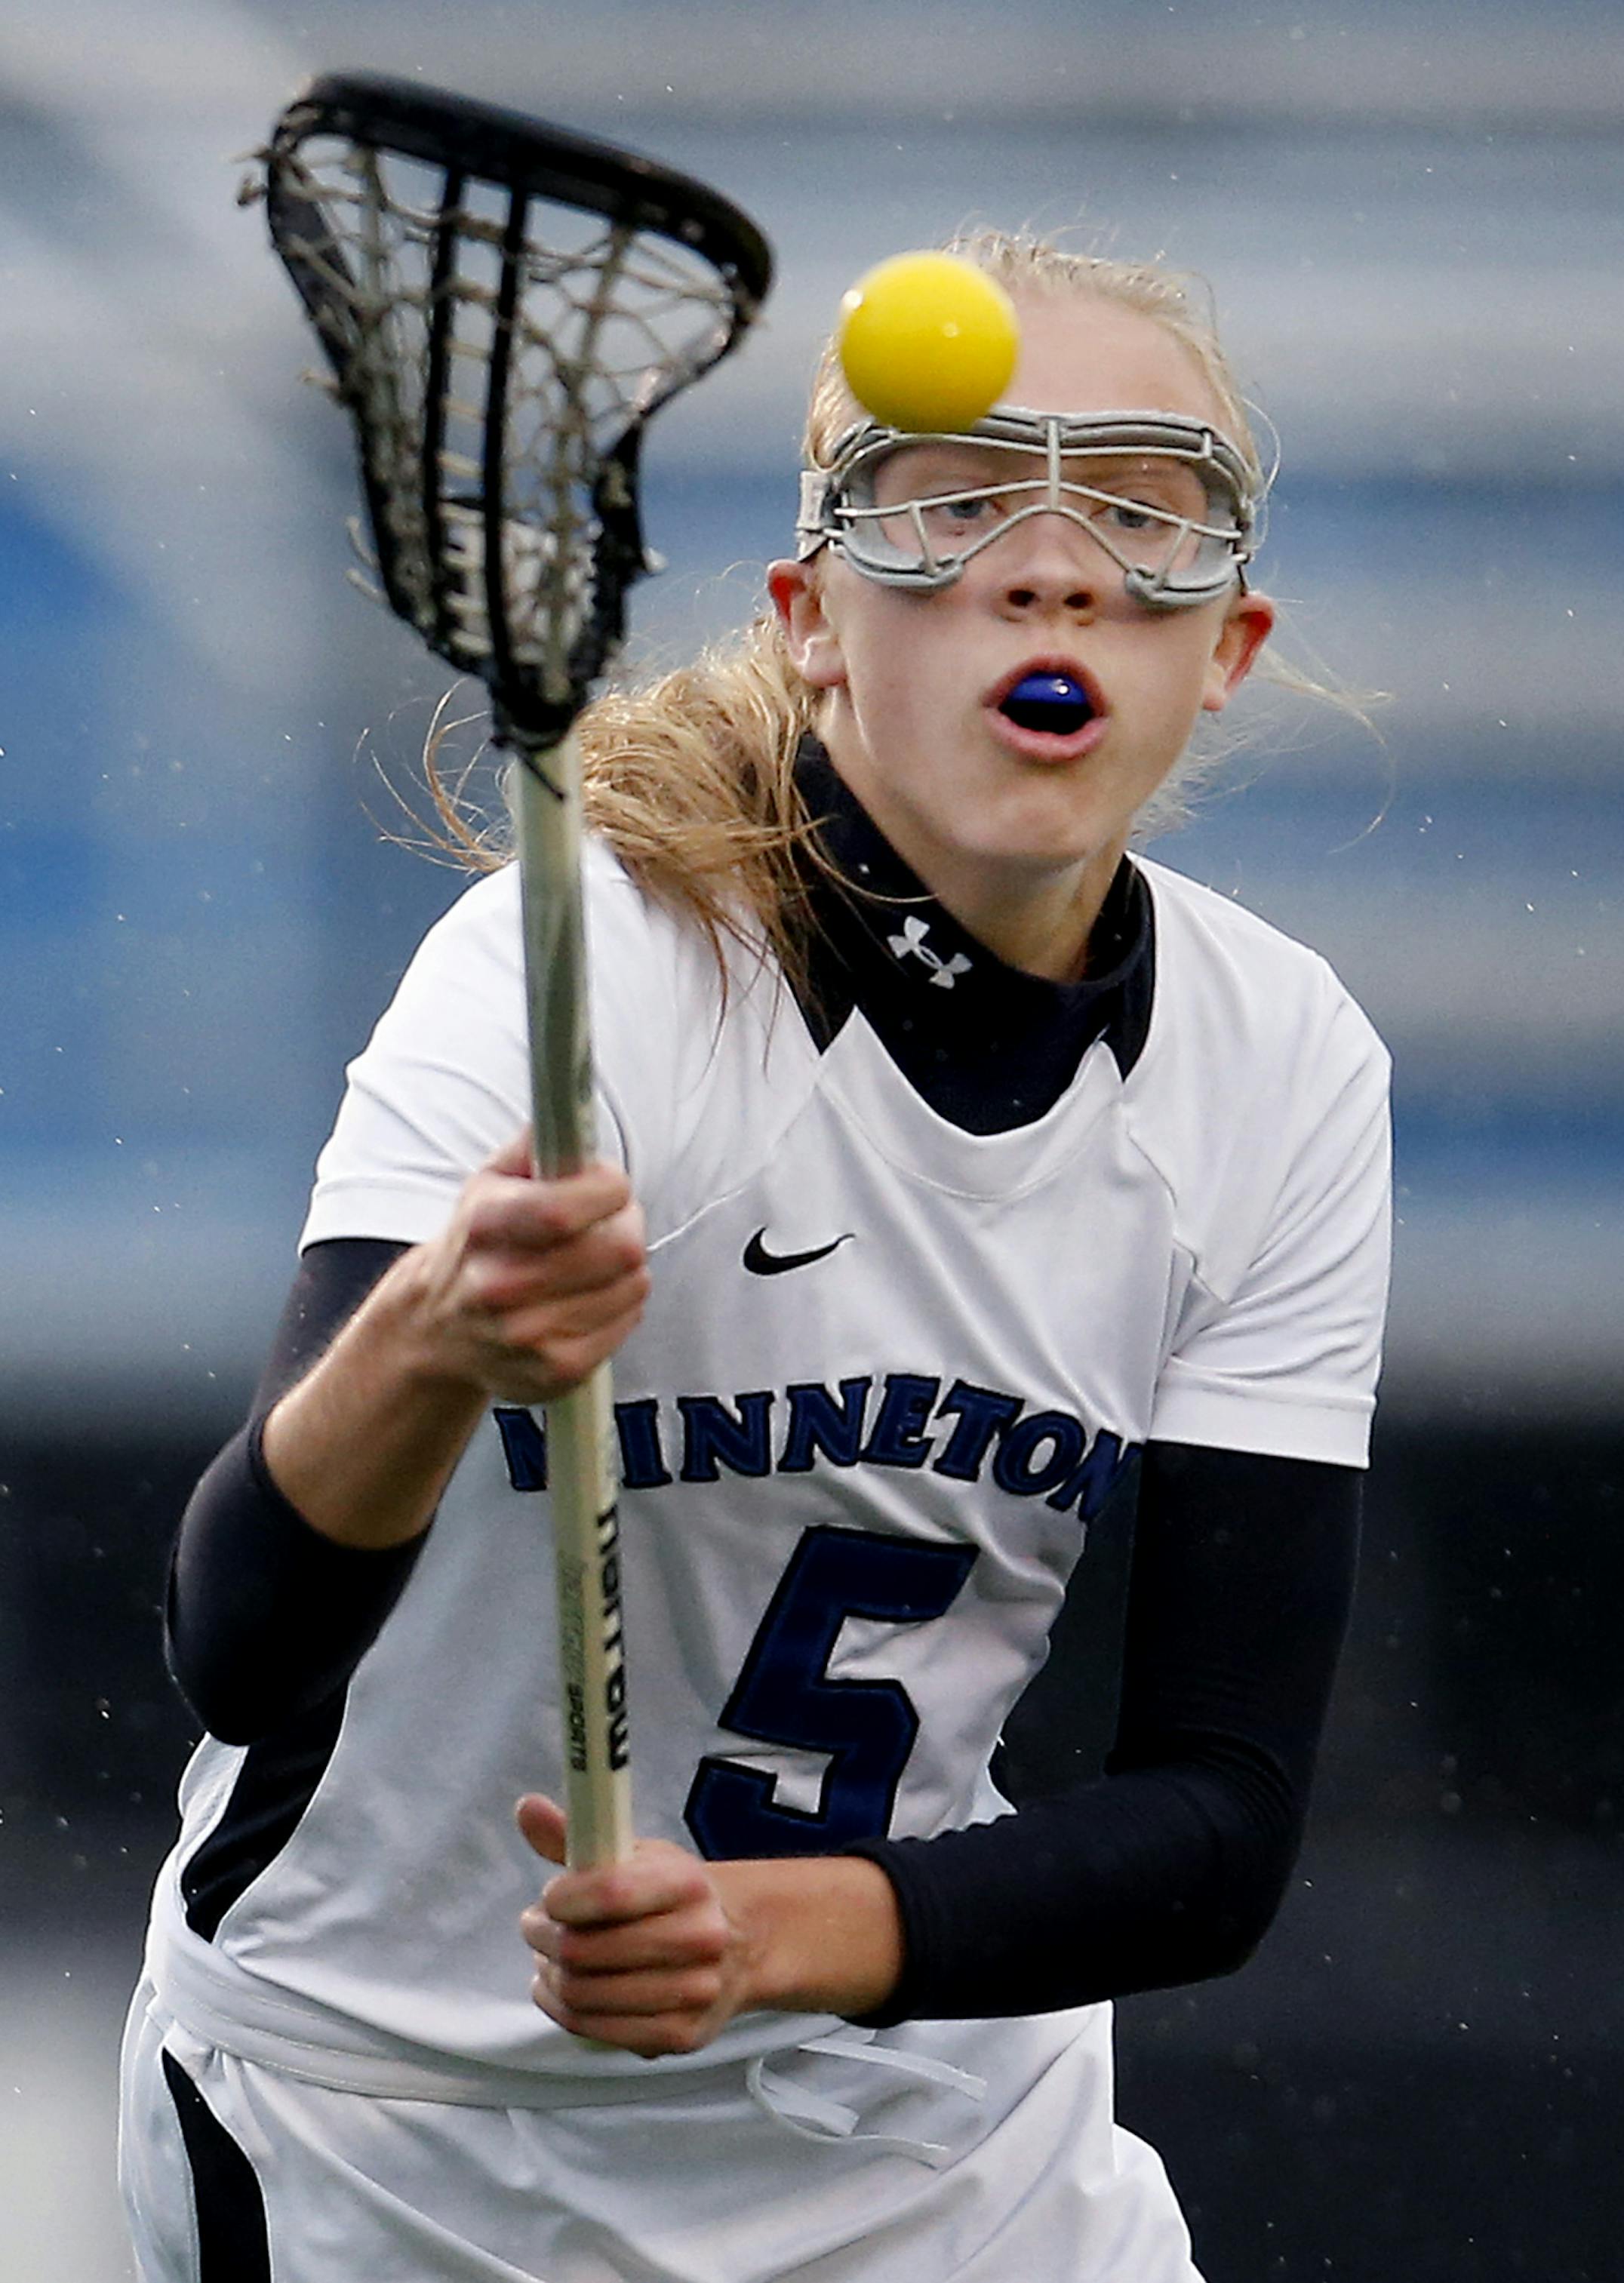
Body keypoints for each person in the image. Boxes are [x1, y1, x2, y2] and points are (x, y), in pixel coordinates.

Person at [119, 228, 1390, 2281]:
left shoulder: (1283, 1064)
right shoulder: (584, 964)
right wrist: (437, 1335)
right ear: (811, 622)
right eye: (956, 504)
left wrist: (799, 1932)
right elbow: (237, 1641)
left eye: (1143, 516)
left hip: (941, 2139)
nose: (1053, 570)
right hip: (404, 2126)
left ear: (1225, 646)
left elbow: (1219, 1820)